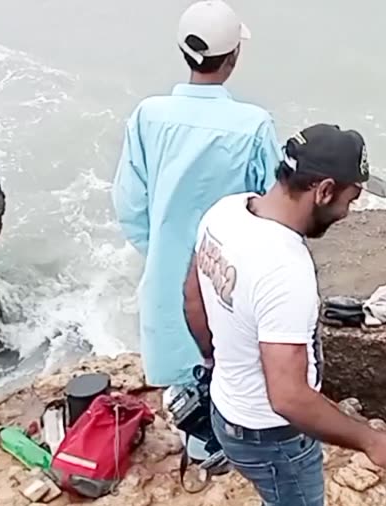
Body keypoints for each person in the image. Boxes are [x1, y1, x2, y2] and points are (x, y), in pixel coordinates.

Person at [182, 124, 386, 506]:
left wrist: (218, 363)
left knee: (277, 501)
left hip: (227, 409)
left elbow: (192, 297)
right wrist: (370, 439)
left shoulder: (227, 213)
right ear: (324, 190)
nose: (351, 211)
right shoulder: (284, 268)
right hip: (269, 433)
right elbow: (287, 397)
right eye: (352, 197)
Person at [112, 0, 281, 430]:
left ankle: (192, 432)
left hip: (166, 281)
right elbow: (271, 207)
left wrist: (164, 251)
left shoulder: (149, 116)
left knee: (181, 384)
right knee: (231, 374)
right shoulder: (253, 124)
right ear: (234, 57)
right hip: (229, 278)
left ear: (184, 52)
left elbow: (130, 203)